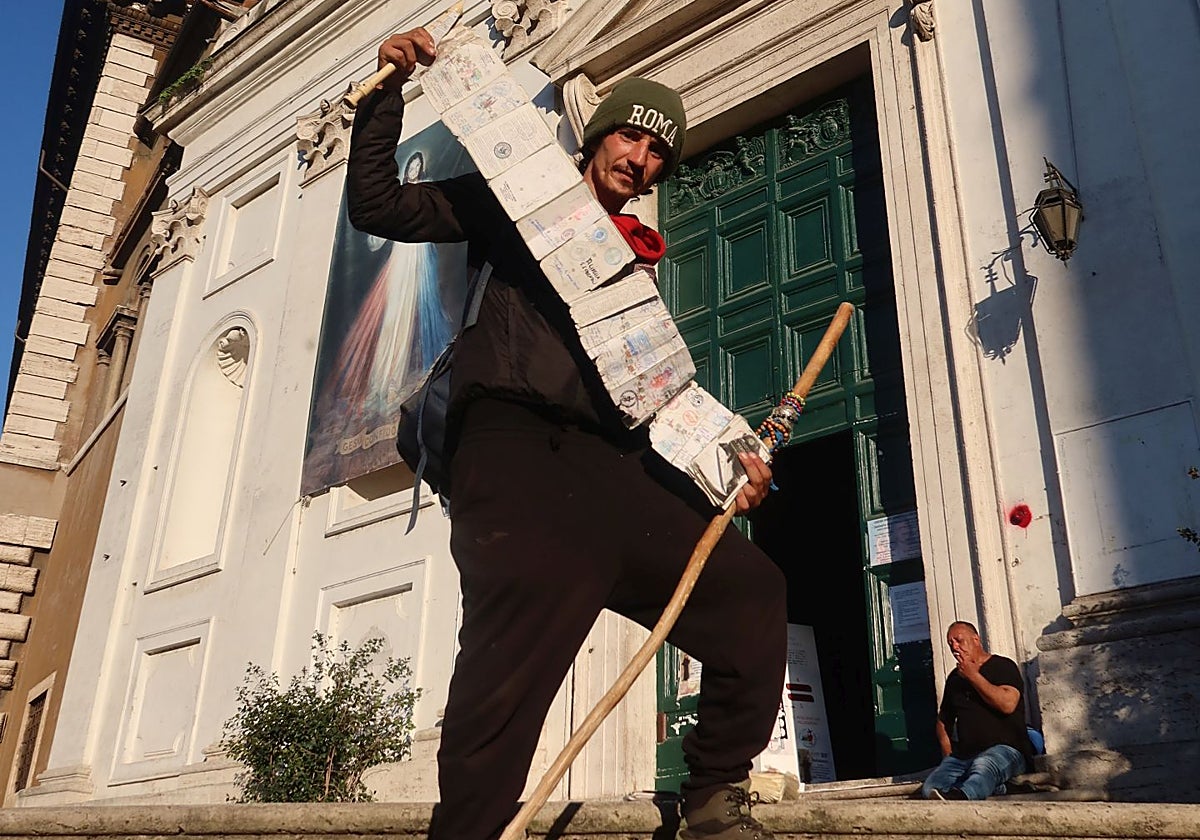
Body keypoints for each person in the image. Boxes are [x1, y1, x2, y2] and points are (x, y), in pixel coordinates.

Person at [346, 27, 787, 840]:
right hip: (510, 447)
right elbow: (376, 206)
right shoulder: (513, 204)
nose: (641, 158)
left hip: (613, 462)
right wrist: (387, 95)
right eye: (629, 134)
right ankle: (470, 831)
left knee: (750, 590)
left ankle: (716, 793)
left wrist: (730, 463)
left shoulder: (637, 271)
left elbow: (662, 391)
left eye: (660, 151)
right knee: (513, 645)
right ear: (595, 135)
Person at [921, 621, 1035, 801]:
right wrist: (948, 755)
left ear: (976, 640)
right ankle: (1000, 788)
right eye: (950, 644)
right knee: (931, 787)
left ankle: (964, 796)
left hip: (1006, 749)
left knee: (983, 766)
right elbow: (944, 721)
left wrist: (973, 676)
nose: (955, 647)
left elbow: (1007, 704)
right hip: (965, 755)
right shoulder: (954, 678)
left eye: (959, 641)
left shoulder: (1003, 666)